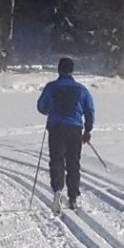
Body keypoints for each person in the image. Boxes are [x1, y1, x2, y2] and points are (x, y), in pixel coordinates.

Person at [36, 56, 95, 213]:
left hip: (56, 128)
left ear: (59, 70)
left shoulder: (51, 87)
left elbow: (41, 106)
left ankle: (57, 191)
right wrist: (88, 130)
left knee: (57, 160)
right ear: (72, 71)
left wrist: (49, 110)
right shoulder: (81, 89)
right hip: (74, 129)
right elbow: (89, 110)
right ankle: (73, 197)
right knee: (73, 163)